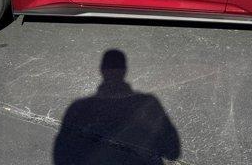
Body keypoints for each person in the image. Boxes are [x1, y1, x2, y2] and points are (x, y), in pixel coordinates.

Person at [53, 49, 181, 165]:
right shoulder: (147, 105)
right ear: (125, 70)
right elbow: (172, 151)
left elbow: (62, 157)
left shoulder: (79, 108)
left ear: (102, 70)